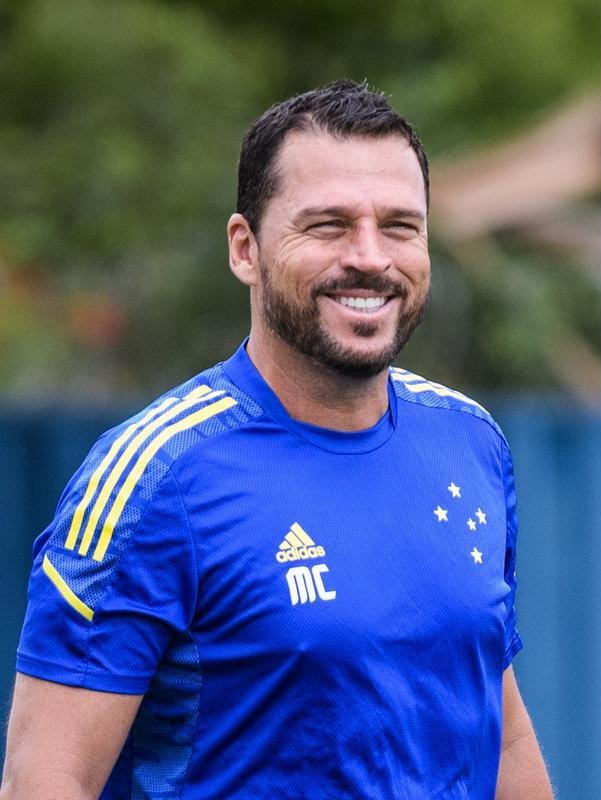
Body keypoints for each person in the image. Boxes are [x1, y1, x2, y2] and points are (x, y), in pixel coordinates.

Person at [0, 80, 553, 800]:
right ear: (245, 248)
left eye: (399, 226)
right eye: (327, 225)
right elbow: (46, 779)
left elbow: (500, 729)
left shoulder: (470, 442)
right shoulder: (156, 478)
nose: (369, 257)